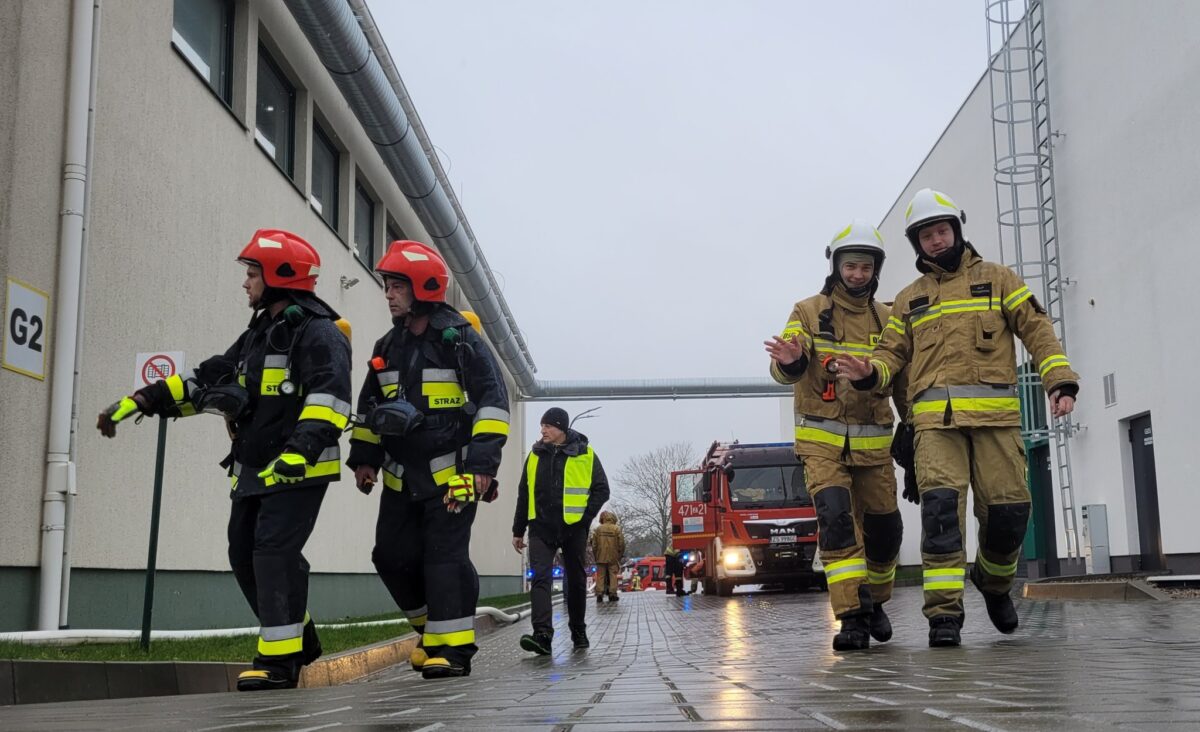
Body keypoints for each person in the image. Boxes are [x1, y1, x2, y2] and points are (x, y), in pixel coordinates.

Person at [97, 229, 352, 690]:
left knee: (273, 552)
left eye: (252, 273)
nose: (246, 283)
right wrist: (143, 399)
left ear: (279, 276)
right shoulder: (258, 335)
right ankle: (302, 637)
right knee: (243, 553)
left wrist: (299, 452)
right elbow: (209, 381)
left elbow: (330, 400)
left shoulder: (320, 333)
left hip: (300, 469)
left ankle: (277, 664)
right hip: (254, 468)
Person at [836, 188, 1079, 647]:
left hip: (997, 424)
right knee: (941, 517)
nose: (935, 240)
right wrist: (871, 372)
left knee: (1009, 514)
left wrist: (1059, 381)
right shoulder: (909, 299)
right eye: (926, 235)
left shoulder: (999, 278)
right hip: (935, 430)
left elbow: (1037, 328)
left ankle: (993, 581)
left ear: (957, 230)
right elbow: (890, 355)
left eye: (941, 230)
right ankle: (943, 616)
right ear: (916, 243)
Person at [346, 240, 510, 679]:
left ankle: (453, 652)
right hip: (400, 479)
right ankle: (431, 630)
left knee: (443, 558)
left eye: (396, 285)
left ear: (423, 288)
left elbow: (493, 403)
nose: (388, 294)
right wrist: (365, 458)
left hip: (454, 476)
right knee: (391, 557)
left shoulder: (461, 342)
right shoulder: (387, 346)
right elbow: (369, 408)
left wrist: (481, 467)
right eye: (387, 286)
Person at [764, 220, 906, 651]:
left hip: (874, 446)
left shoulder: (889, 317)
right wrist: (790, 362)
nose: (858, 274)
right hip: (821, 445)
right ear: (836, 266)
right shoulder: (807, 311)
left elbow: (899, 374)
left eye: (865, 267)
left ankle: (874, 599)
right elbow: (781, 367)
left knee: (885, 531)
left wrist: (911, 427)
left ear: (875, 269)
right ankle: (851, 617)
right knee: (837, 522)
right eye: (850, 265)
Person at [512, 407, 610, 655]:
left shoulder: (585, 453)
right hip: (540, 527)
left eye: (548, 426)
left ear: (561, 429)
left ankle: (578, 630)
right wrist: (518, 529)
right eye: (542, 426)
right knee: (540, 578)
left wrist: (585, 519)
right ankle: (542, 635)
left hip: (573, 528)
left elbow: (602, 489)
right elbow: (524, 494)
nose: (543, 430)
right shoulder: (534, 455)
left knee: (576, 579)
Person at [590, 510, 625, 602]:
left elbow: (594, 545)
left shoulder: (598, 529)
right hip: (613, 556)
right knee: (613, 575)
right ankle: (612, 594)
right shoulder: (616, 528)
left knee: (600, 576)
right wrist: (619, 555)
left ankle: (599, 594)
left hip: (600, 556)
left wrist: (596, 555)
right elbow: (621, 543)